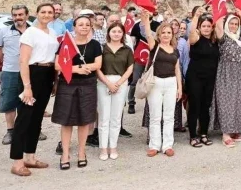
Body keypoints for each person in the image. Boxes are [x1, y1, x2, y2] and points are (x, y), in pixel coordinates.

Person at [8, 3, 58, 177]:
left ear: (53, 15)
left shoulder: (52, 33)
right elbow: (23, 61)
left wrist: (55, 81)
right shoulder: (30, 33)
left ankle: (30, 156)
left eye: (49, 12)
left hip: (47, 74)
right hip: (32, 74)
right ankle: (17, 162)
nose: (46, 14)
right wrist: (27, 86)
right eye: (43, 12)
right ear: (36, 14)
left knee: (37, 119)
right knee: (24, 118)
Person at [52, 15, 102, 170]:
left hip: (87, 85)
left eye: (87, 24)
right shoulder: (66, 43)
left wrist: (87, 68)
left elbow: (98, 64)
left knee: (84, 120)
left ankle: (82, 152)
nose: (84, 27)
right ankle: (65, 154)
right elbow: (58, 65)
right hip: (68, 84)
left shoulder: (94, 44)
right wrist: (77, 69)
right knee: (66, 120)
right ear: (74, 27)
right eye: (81, 24)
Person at [0, 5, 33, 145]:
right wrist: (7, 60)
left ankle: (29, 129)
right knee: (9, 102)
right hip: (10, 72)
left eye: (20, 14)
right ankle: (10, 131)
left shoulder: (34, 31)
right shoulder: (4, 31)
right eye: (15, 15)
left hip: (31, 72)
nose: (17, 17)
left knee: (29, 102)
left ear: (27, 15)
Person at [142, 11, 182, 157]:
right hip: (156, 83)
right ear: (159, 35)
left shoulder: (175, 50)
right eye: (163, 32)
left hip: (171, 83)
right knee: (155, 116)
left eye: (169, 32)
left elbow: (177, 69)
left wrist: (179, 88)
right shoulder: (155, 46)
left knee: (169, 116)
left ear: (172, 35)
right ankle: (154, 145)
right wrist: (146, 20)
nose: (166, 35)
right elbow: (148, 34)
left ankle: (167, 145)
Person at [210, 11, 241, 147]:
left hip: (240, 74)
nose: (233, 26)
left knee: (237, 101)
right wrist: (221, 11)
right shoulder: (223, 37)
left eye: (236, 24)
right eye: (231, 23)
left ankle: (234, 129)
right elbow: (218, 26)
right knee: (226, 102)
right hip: (226, 73)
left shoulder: (240, 39)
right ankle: (225, 134)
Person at [96, 22, 134, 160]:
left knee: (116, 117)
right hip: (103, 82)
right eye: (114, 31)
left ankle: (113, 146)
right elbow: (97, 68)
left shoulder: (127, 50)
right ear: (109, 33)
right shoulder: (102, 48)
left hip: (121, 83)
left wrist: (117, 83)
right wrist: (108, 83)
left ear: (123, 34)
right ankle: (103, 148)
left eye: (119, 31)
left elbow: (130, 68)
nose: (116, 34)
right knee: (103, 117)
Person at [186, 11, 220, 147]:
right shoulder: (195, 39)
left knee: (206, 107)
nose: (206, 28)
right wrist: (195, 17)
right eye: (203, 26)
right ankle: (193, 136)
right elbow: (191, 32)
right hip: (195, 78)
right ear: (199, 27)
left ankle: (204, 133)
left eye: (208, 26)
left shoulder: (215, 41)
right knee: (195, 106)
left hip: (209, 79)